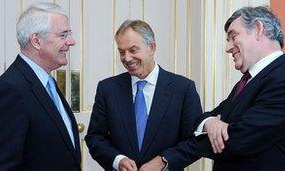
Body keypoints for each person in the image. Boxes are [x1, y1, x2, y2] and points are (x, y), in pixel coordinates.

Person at [161, 6, 285, 171]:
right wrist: (211, 122)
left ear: (258, 29)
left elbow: (239, 140)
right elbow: (205, 117)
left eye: (233, 36)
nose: (228, 47)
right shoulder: (248, 81)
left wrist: (165, 160)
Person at [85, 19, 202, 171]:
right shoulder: (107, 89)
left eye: (133, 50)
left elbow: (195, 141)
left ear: (151, 47)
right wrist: (118, 160)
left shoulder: (183, 88)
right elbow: (95, 138)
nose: (126, 58)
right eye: (122, 52)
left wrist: (163, 161)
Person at [0, 2, 81, 170]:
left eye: (69, 33)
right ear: (36, 41)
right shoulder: (10, 89)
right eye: (63, 35)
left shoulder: (45, 81)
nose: (71, 42)